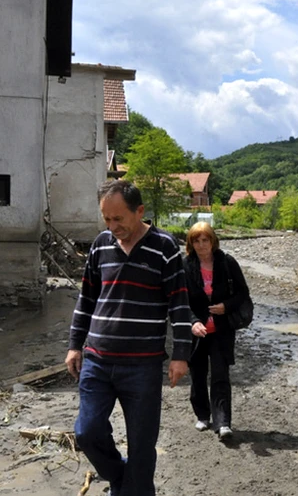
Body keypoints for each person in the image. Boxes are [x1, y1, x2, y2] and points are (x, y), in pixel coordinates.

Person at [65, 180, 193, 496]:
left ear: (139, 211)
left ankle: (133, 489)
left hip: (142, 366)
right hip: (97, 359)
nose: (112, 226)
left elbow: (179, 304)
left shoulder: (164, 248)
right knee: (87, 431)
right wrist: (74, 346)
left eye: (118, 218)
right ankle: (120, 478)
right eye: (106, 219)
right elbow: (87, 298)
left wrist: (181, 355)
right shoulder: (100, 245)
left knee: (142, 443)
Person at [183, 221, 252, 441]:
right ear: (191, 243)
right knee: (198, 374)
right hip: (197, 332)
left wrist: (226, 306)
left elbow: (243, 293)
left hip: (222, 330)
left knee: (221, 375)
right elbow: (179, 301)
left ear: (213, 241)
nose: (202, 245)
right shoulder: (186, 266)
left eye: (205, 240)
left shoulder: (227, 262)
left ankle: (223, 423)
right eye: (197, 240)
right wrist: (193, 322)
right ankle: (203, 415)